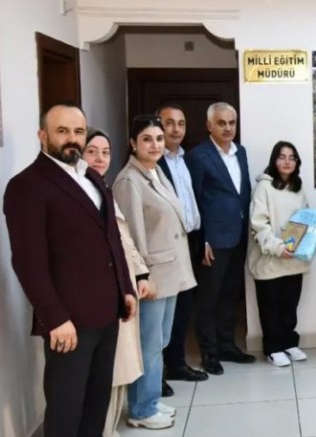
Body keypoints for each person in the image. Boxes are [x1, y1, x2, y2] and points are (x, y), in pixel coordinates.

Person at [3, 103, 137, 437]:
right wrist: (55, 318)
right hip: (69, 322)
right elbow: (28, 261)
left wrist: (125, 287)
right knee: (66, 409)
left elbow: (111, 238)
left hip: (107, 312)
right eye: (62, 131)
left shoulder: (91, 177)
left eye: (78, 131)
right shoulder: (27, 185)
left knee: (96, 403)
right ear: (43, 135)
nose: (72, 138)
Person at [113, 114, 197, 429]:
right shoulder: (129, 181)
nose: (155, 145)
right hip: (152, 277)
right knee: (148, 345)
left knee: (159, 341)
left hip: (170, 272)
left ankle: (149, 399)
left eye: (159, 139)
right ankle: (141, 409)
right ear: (133, 143)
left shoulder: (156, 172)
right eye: (147, 139)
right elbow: (132, 236)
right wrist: (141, 276)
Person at [84, 128, 154, 437]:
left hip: (122, 290)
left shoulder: (105, 190)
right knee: (107, 373)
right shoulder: (81, 193)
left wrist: (140, 274)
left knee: (119, 371)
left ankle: (108, 429)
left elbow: (123, 240)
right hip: (103, 295)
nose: (100, 159)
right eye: (92, 152)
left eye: (105, 152)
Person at [187, 102, 256, 374]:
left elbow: (242, 191)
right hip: (213, 240)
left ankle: (227, 345)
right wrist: (202, 239)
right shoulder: (198, 156)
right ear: (209, 126)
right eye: (221, 123)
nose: (228, 128)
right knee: (209, 297)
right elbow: (194, 199)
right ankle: (209, 352)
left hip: (238, 235)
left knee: (230, 294)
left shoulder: (241, 152)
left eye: (231, 123)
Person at [156, 104, 208, 393]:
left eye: (181, 123)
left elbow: (196, 200)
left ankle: (176, 364)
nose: (176, 129)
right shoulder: (152, 162)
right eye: (169, 123)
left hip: (190, 241)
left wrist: (203, 239)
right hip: (165, 245)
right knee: (162, 313)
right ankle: (157, 374)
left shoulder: (187, 160)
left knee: (183, 308)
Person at [247, 141, 311, 367]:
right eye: (282, 157)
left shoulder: (298, 188)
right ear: (274, 160)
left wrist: (303, 243)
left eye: (292, 158)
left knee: (289, 306)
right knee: (270, 307)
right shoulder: (263, 187)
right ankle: (273, 348)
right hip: (270, 259)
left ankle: (289, 343)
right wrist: (277, 247)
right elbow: (258, 224)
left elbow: (305, 218)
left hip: (293, 260)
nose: (287, 161)